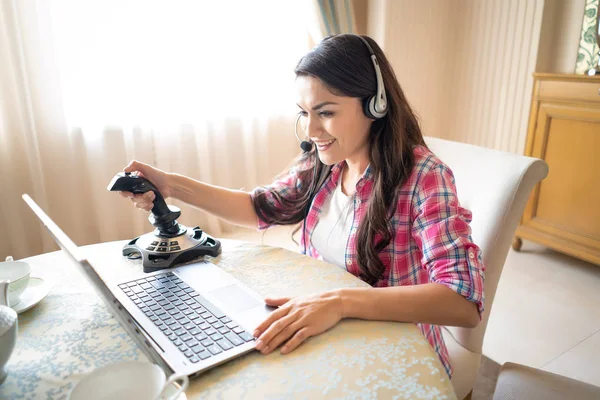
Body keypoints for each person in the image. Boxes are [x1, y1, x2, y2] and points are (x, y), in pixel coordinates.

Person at [118, 34, 485, 378]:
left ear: (376, 104)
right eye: (305, 112)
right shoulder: (325, 163)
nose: (311, 130)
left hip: (395, 352)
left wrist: (341, 302)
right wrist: (170, 184)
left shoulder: (424, 176)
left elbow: (462, 302)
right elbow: (257, 208)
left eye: (325, 112)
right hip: (327, 334)